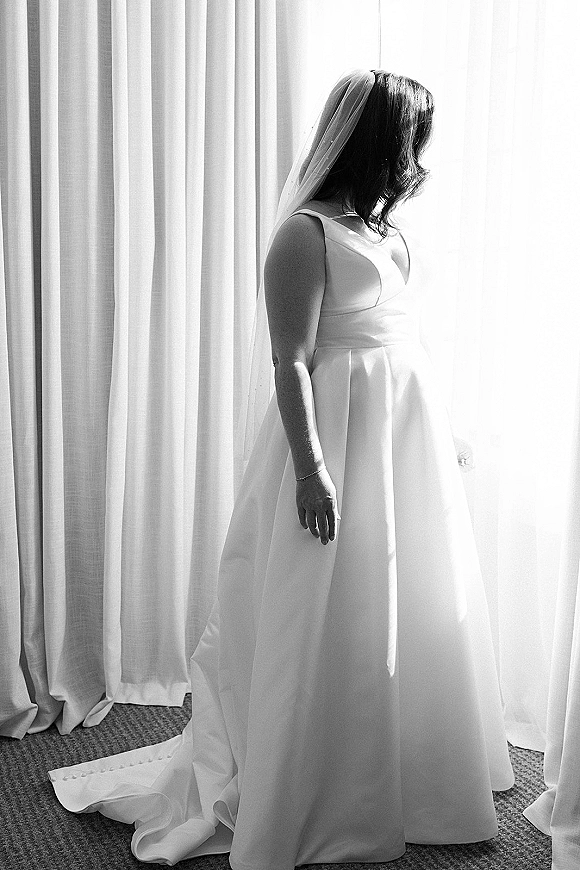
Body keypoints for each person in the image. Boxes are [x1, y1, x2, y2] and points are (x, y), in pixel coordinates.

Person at [49, 69, 515, 869]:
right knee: (324, 604)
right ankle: (316, 778)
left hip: (399, 437)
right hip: (332, 436)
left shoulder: (388, 231)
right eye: (411, 138)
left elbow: (407, 340)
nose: (418, 154)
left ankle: (410, 772)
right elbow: (290, 360)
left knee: (410, 599)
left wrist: (443, 430)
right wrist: (311, 470)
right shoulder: (304, 234)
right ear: (378, 141)